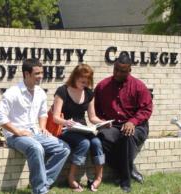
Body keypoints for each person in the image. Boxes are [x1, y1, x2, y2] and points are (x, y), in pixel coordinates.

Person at [0, 59, 71, 194]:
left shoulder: (40, 92)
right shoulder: (13, 93)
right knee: (36, 148)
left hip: (35, 132)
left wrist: (42, 127)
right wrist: (17, 131)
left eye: (41, 72)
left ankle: (43, 182)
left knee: (64, 148)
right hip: (15, 136)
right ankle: (40, 190)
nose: (41, 76)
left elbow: (42, 113)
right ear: (26, 74)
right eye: (37, 73)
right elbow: (0, 117)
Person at [94, 52, 153, 193]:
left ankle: (125, 181)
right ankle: (129, 169)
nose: (118, 73)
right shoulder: (102, 86)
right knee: (100, 139)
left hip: (137, 125)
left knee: (126, 136)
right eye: (116, 69)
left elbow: (146, 109)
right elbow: (97, 110)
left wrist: (132, 121)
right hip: (113, 126)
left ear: (130, 70)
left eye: (123, 71)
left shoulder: (139, 86)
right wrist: (103, 123)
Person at [52, 64, 107, 192]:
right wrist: (66, 122)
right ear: (75, 77)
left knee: (97, 142)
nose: (85, 84)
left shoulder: (89, 94)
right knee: (84, 143)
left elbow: (92, 117)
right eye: (82, 81)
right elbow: (55, 117)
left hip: (83, 129)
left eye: (88, 82)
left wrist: (103, 122)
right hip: (66, 129)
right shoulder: (62, 91)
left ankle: (99, 177)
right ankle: (71, 177)